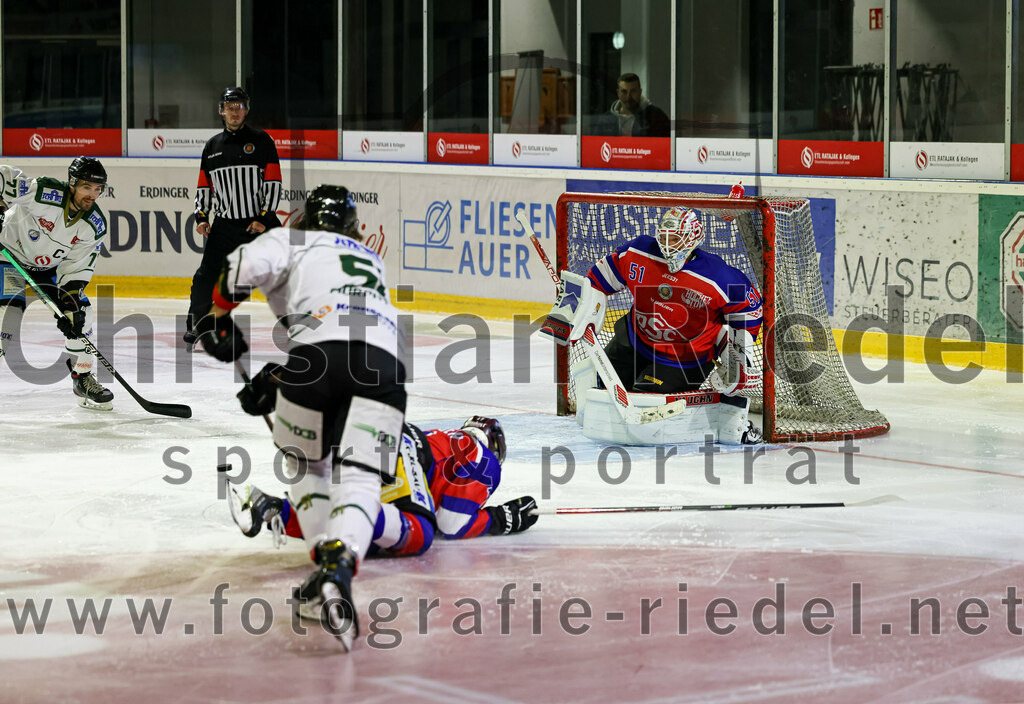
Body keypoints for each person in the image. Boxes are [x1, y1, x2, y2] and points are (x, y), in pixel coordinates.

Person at [196, 184, 403, 650]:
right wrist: (276, 382)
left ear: (305, 220)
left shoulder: (292, 239)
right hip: (386, 367)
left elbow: (240, 267)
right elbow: (341, 330)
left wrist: (218, 316)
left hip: (316, 363)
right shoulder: (370, 259)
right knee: (361, 475)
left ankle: (322, 560)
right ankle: (337, 570)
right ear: (354, 228)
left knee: (307, 463)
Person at [228, 417, 538, 557]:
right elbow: (451, 525)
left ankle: (272, 507)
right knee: (419, 535)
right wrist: (501, 519)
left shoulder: (444, 439)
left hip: (364, 442)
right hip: (397, 452)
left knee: (361, 536)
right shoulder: (483, 458)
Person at [547, 206, 763, 396]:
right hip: (634, 341)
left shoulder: (719, 276)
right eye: (664, 238)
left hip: (684, 361)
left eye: (675, 239)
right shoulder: (637, 252)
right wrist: (576, 310)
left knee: (645, 401)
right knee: (597, 389)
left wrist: (741, 355)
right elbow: (597, 280)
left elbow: (750, 309)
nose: (668, 246)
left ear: (693, 239)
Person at [0, 157, 113, 410]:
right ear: (72, 183)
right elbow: (3, 176)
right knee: (6, 317)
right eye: (86, 187)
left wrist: (70, 305)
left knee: (81, 314)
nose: (92, 195)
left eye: (98, 189)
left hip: (48, 270)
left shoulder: (93, 225)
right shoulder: (45, 193)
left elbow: (76, 268)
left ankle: (82, 378)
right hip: (8, 256)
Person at [184, 86, 282, 343]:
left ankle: (307, 321)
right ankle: (199, 325)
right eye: (230, 107)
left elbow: (273, 182)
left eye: (239, 107)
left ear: (246, 110)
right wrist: (202, 216)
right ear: (222, 111)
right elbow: (204, 185)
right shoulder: (212, 146)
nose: (235, 112)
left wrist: (264, 218)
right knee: (205, 278)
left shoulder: (262, 141)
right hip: (225, 226)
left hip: (259, 223)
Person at [594, 73, 669, 138]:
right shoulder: (606, 119)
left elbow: (667, 145)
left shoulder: (656, 117)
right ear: (618, 93)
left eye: (633, 91)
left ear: (640, 92)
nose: (628, 97)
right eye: (624, 92)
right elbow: (596, 146)